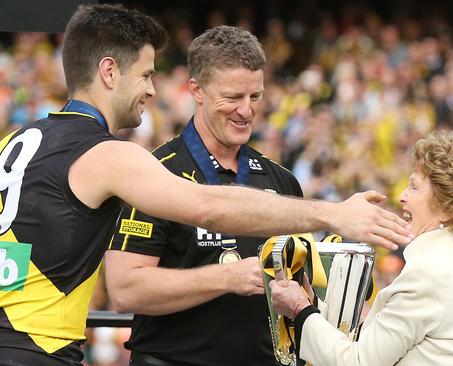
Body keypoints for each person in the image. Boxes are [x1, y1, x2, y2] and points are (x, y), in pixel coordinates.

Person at [0, 4, 411, 365]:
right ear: (109, 71)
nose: (151, 88)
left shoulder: (6, 146)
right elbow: (205, 206)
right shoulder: (108, 154)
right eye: (145, 73)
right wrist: (332, 213)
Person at [106, 25, 306, 365]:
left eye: (255, 96)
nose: (246, 111)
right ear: (196, 90)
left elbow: (299, 286)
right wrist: (226, 278)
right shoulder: (154, 174)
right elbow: (125, 289)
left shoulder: (282, 181)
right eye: (231, 98)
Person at [270, 130, 453, 365]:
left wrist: (300, 308)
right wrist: (313, 306)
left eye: (414, 187)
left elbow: (357, 361)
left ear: (449, 209)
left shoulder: (431, 274)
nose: (402, 196)